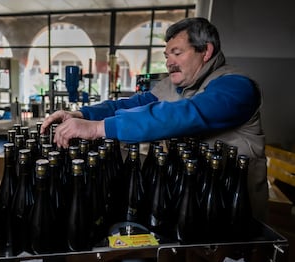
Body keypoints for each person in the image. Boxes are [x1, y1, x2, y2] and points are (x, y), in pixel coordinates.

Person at [40, 17, 268, 221]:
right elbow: (130, 104)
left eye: (177, 53)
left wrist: (99, 128)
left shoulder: (236, 86)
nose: (169, 62)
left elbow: (186, 114)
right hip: (187, 199)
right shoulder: (172, 85)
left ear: (206, 52)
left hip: (232, 208)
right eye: (167, 55)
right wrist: (82, 114)